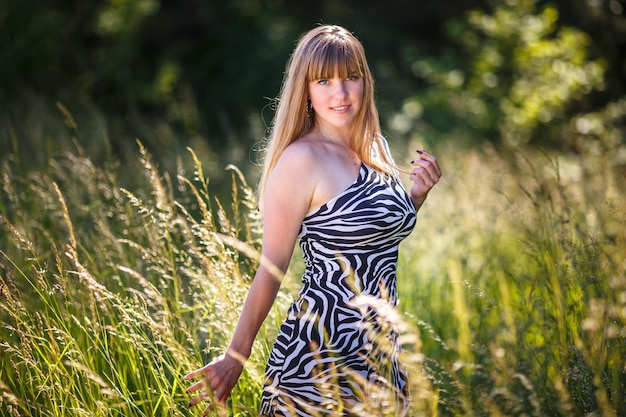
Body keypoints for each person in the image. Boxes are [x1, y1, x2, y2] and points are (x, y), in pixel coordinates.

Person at [185, 24, 442, 416]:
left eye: (350, 78)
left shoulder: (376, 147)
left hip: (381, 356)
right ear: (305, 90)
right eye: (324, 81)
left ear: (365, 82)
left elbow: (374, 239)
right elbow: (272, 267)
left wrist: (416, 197)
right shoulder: (300, 161)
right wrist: (236, 355)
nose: (340, 93)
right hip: (318, 359)